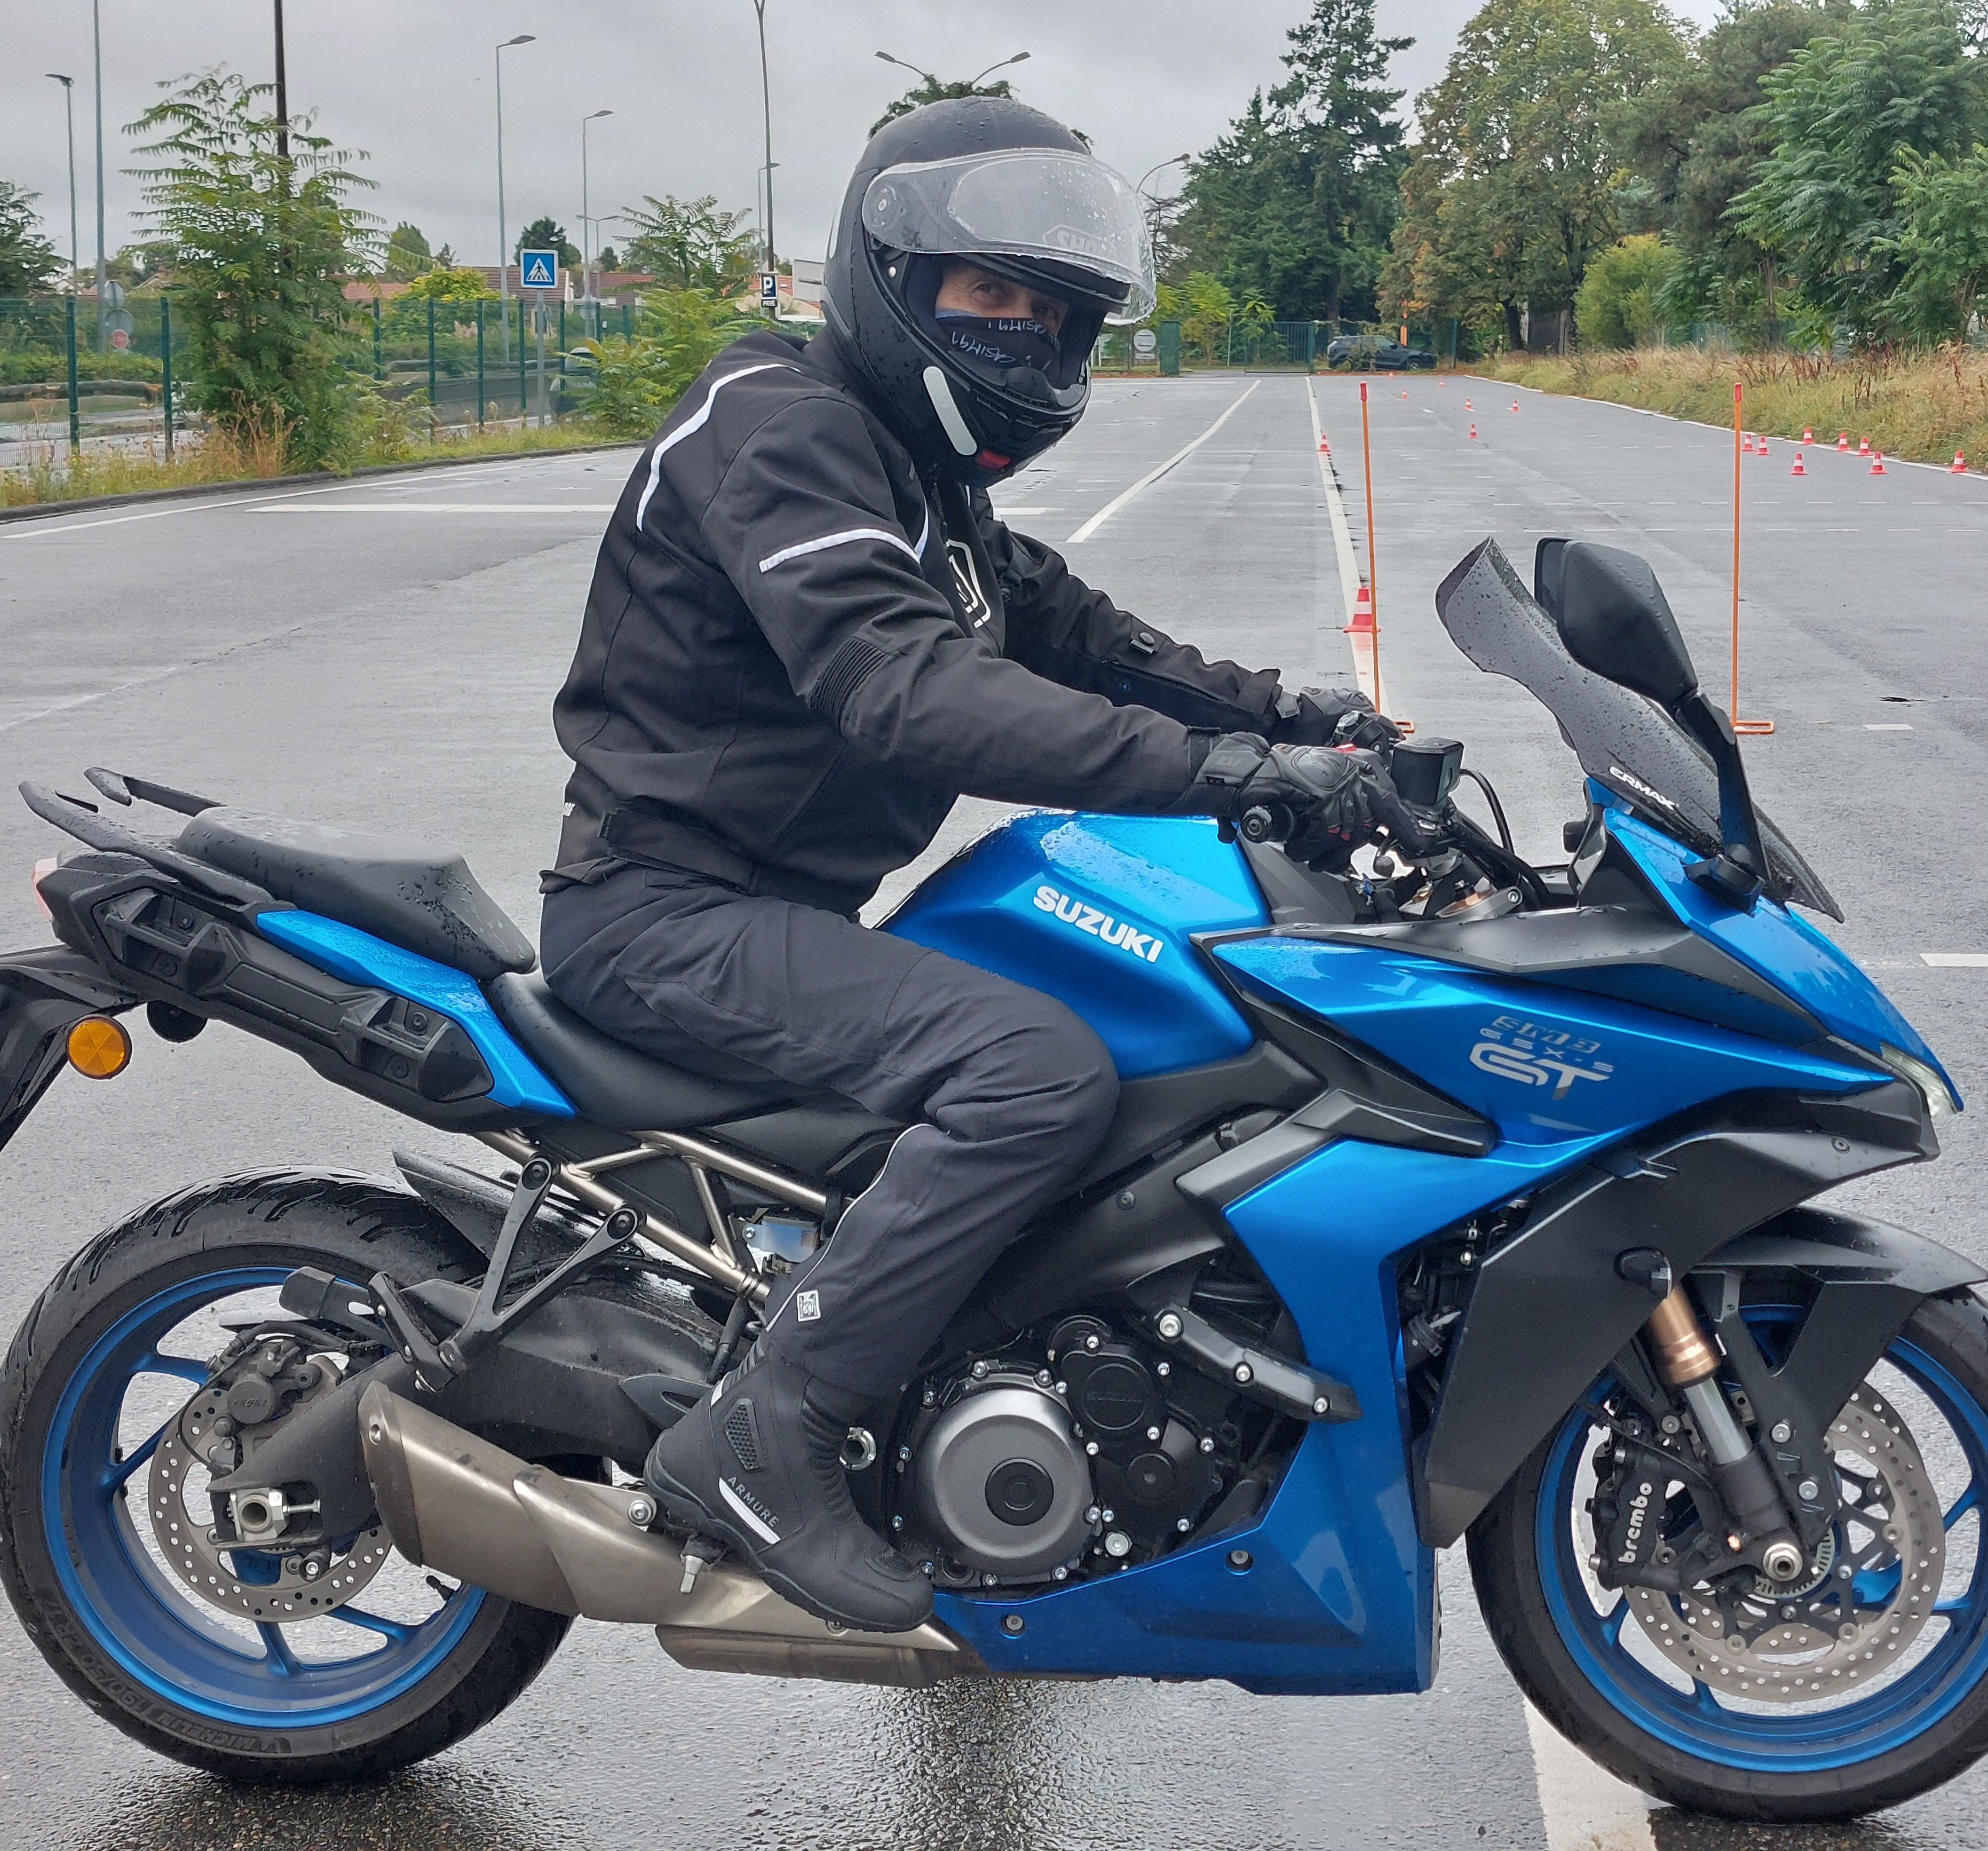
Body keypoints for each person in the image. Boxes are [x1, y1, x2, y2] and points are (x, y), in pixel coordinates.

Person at [540, 98, 1411, 1633]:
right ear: (894, 275)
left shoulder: (921, 479)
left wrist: (1299, 722)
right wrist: (1228, 780)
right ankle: (765, 1432)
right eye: (990, 291)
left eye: (1051, 309)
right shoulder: (779, 425)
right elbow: (907, 688)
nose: (1025, 331)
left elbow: (1086, 637)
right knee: (1033, 1071)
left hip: (769, 910)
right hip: (663, 913)